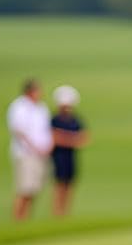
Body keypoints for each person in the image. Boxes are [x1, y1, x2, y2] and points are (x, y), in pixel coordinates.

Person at [7, 78, 53, 220]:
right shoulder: (19, 107)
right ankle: (18, 219)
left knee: (34, 189)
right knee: (24, 189)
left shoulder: (41, 107)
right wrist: (35, 147)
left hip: (41, 154)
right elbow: (19, 131)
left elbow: (46, 130)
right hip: (26, 154)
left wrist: (47, 147)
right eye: (38, 90)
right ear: (29, 91)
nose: (40, 93)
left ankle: (25, 219)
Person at [50, 84, 88, 217]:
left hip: (71, 157)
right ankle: (57, 214)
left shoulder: (76, 120)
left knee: (70, 185)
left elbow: (84, 139)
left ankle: (65, 214)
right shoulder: (54, 120)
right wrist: (72, 139)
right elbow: (53, 138)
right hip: (58, 157)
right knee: (59, 186)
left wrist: (64, 138)